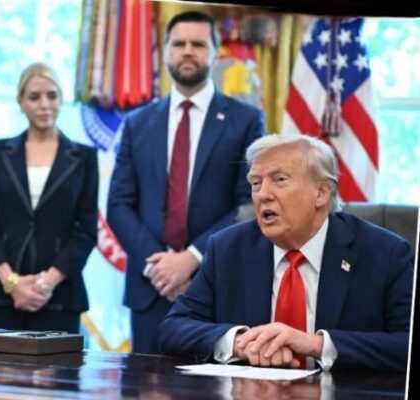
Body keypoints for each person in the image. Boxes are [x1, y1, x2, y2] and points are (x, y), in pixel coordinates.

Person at [158, 134, 413, 372]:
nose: (263, 195)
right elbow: (173, 327)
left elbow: (405, 342)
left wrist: (316, 345)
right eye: (256, 183)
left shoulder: (384, 253)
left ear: (321, 193)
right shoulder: (227, 248)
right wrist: (240, 343)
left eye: (279, 180)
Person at [107, 11, 265, 353]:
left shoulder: (246, 121)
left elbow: (249, 206)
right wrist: (160, 266)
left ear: (215, 52)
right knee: (143, 381)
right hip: (150, 287)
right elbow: (118, 204)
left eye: (198, 44)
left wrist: (192, 258)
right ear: (165, 51)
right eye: (179, 44)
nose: (188, 51)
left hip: (215, 286)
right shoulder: (137, 123)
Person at [0, 63, 98, 333]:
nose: (44, 105)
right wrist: (12, 283)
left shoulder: (84, 158)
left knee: (58, 363)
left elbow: (86, 231)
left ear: (61, 99)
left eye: (52, 96)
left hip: (60, 296)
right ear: (20, 101)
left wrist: (46, 283)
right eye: (34, 97)